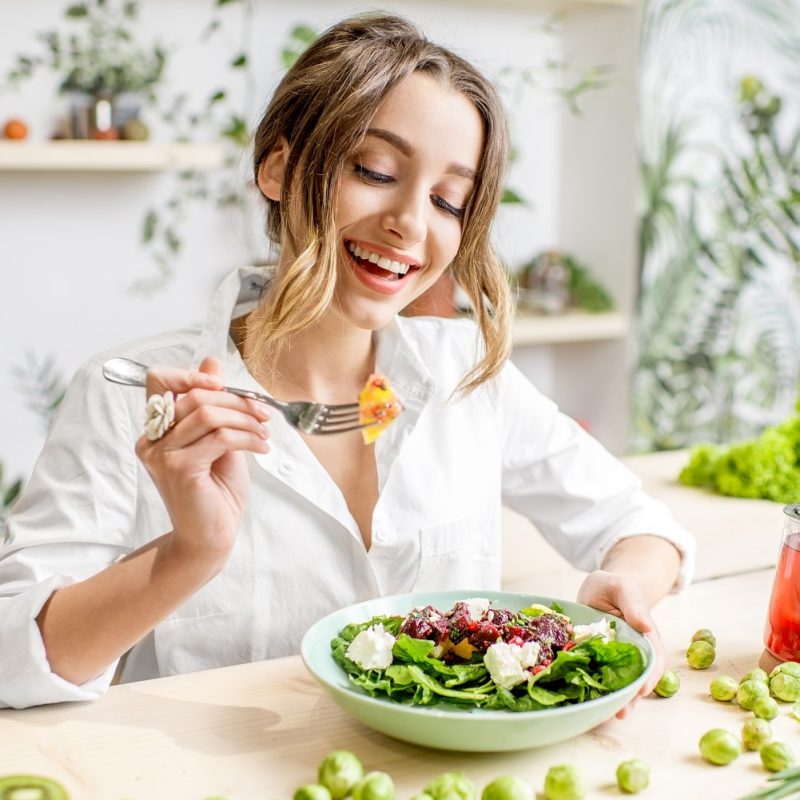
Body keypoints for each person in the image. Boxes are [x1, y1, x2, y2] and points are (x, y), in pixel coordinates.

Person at [0, 13, 694, 710]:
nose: (411, 224)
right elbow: (13, 659)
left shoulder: (466, 375)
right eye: (376, 171)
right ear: (277, 167)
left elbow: (639, 525)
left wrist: (625, 586)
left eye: (449, 200)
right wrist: (191, 553)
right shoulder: (131, 393)